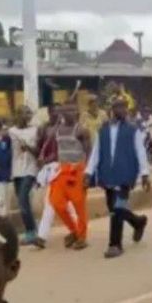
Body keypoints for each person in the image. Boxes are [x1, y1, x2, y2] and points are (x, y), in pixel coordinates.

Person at [85, 98, 151, 259]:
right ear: (112, 109)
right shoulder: (103, 130)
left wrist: (145, 174)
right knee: (114, 209)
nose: (122, 110)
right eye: (119, 107)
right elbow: (96, 153)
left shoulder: (133, 130)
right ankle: (138, 222)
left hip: (125, 174)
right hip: (108, 174)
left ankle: (115, 244)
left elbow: (140, 151)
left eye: (124, 107)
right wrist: (88, 172)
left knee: (118, 208)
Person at [47, 105, 91, 250]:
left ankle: (82, 237)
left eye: (73, 110)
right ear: (62, 113)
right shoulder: (57, 129)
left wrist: (87, 173)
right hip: (61, 170)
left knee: (79, 206)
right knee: (56, 202)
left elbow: (89, 152)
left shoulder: (81, 130)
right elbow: (54, 146)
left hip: (77, 170)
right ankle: (74, 231)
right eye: (67, 111)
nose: (71, 113)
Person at [9, 106, 41, 245]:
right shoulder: (11, 131)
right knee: (23, 202)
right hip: (16, 170)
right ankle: (33, 228)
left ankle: (31, 232)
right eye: (25, 113)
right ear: (18, 115)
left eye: (29, 113)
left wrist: (28, 147)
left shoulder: (35, 131)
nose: (28, 116)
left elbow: (38, 151)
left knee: (22, 200)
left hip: (30, 169)